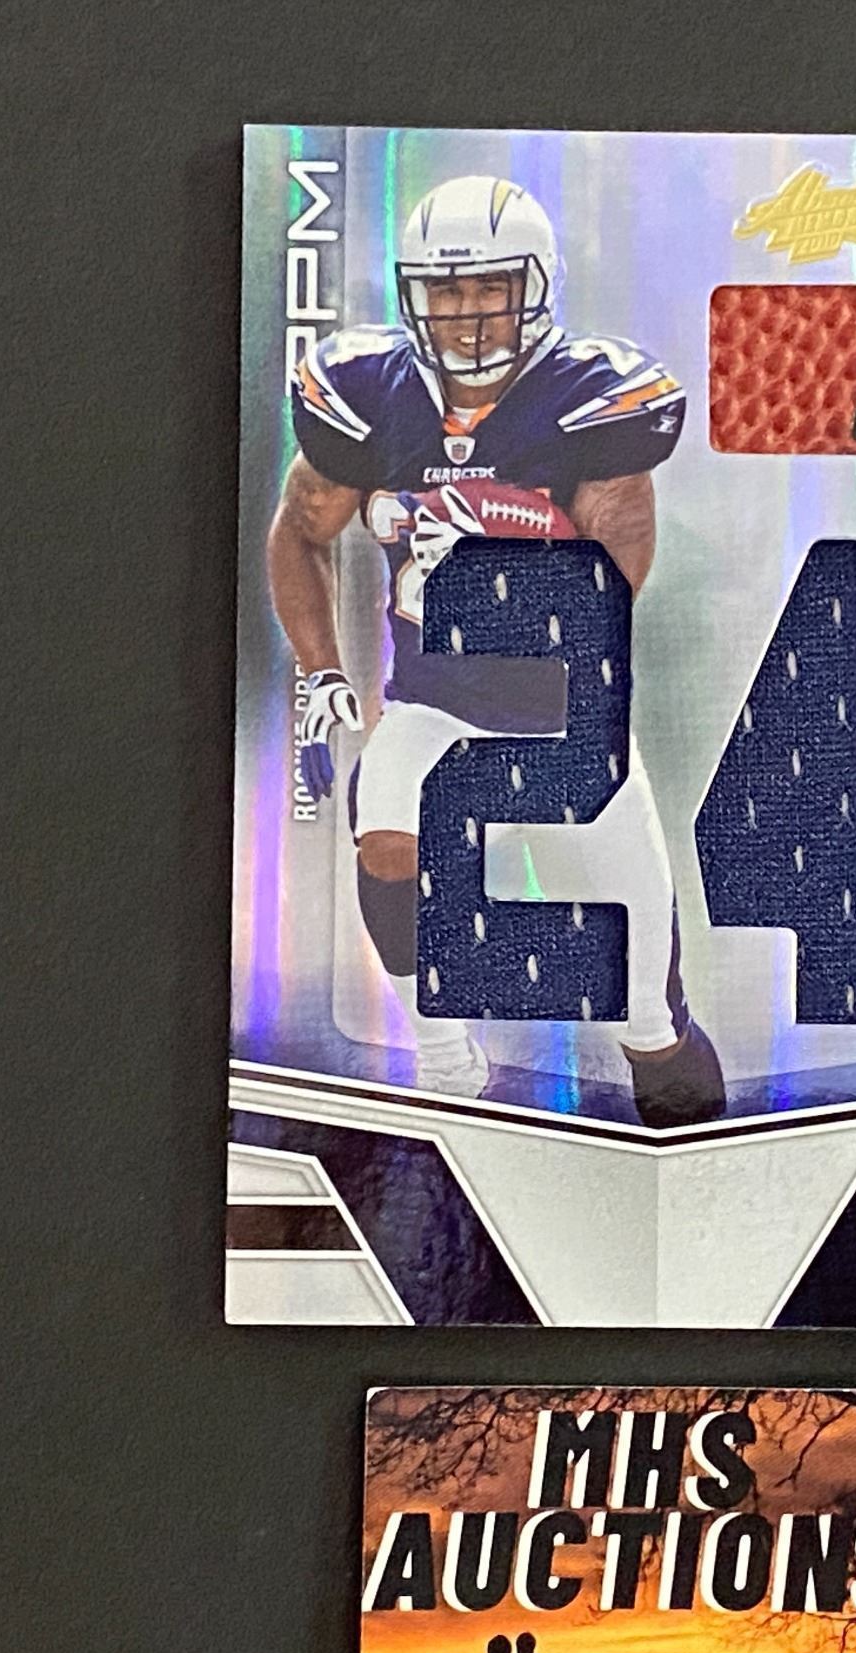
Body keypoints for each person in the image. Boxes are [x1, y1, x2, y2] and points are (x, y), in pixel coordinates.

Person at [268, 173, 724, 1125]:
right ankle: (446, 1060)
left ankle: (703, 1157)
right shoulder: (373, 395)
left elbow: (613, 586)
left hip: (565, 717)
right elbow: (298, 531)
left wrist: (500, 568)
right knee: (385, 833)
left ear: (536, 285)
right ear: (414, 295)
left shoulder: (589, 400)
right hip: (435, 701)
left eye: (489, 287)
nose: (468, 314)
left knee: (648, 1020)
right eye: (446, 290)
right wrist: (322, 673)